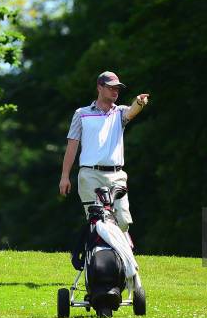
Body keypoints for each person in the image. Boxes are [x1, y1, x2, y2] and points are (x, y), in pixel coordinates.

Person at [59, 71, 149, 233]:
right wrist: (65, 176)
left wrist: (139, 102)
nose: (115, 91)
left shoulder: (120, 112)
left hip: (116, 176)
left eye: (118, 89)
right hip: (90, 175)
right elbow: (72, 146)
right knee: (97, 222)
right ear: (99, 87)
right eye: (111, 88)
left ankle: (121, 251)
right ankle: (97, 257)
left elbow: (132, 111)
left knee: (122, 222)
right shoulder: (81, 114)